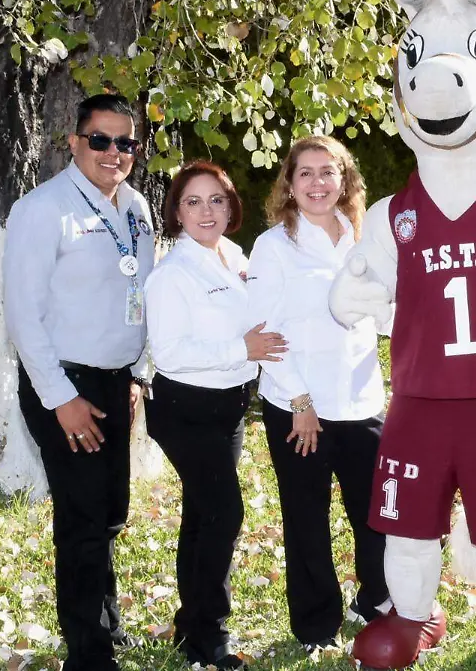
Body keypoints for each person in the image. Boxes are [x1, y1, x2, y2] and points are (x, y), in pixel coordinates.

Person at [3, 94, 152, 671]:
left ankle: (106, 626)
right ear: (75, 143)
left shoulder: (135, 206)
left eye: (125, 143)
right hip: (65, 385)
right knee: (83, 517)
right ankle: (87, 653)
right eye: (100, 140)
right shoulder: (42, 209)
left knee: (110, 510)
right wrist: (61, 398)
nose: (113, 153)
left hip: (119, 384)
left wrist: (138, 375)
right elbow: (22, 314)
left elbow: (137, 296)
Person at [246, 135, 391, 653]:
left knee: (375, 512)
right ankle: (315, 626)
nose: (316, 183)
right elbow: (264, 334)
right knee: (307, 520)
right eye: (304, 173)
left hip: (362, 400)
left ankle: (377, 601)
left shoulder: (365, 238)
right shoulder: (273, 246)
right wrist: (300, 403)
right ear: (289, 182)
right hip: (299, 406)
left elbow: (385, 314)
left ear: (345, 179)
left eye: (327, 172)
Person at [143, 161, 287, 670]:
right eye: (193, 202)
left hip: (227, 410)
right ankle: (211, 637)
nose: (207, 211)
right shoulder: (171, 275)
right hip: (185, 409)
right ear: (176, 213)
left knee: (202, 516)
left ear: (231, 206)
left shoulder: (234, 256)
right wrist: (241, 348)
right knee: (224, 513)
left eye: (217, 200)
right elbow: (170, 351)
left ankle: (190, 627)